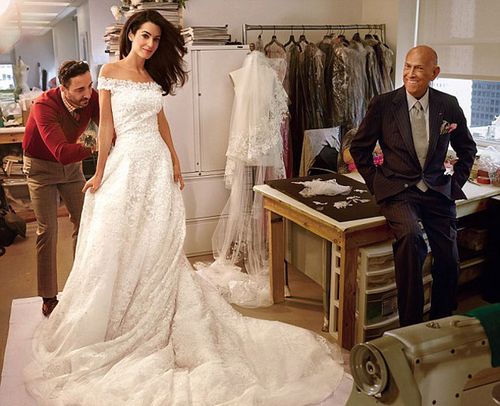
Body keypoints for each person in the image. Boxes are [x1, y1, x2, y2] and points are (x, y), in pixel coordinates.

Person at [24, 10, 344, 405]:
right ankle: (120, 313)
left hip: (156, 163)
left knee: (159, 240)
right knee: (120, 237)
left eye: (156, 40)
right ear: (130, 35)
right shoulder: (108, 71)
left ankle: (160, 300)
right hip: (126, 163)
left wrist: (174, 160)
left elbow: (161, 122)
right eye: (145, 36)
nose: (150, 45)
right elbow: (106, 128)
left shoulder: (152, 76)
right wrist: (100, 171)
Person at [350, 45, 477, 326]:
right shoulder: (383, 105)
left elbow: (467, 149)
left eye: (419, 68)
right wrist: (377, 183)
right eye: (407, 66)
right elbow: (359, 149)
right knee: (411, 240)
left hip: (436, 190)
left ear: (435, 72)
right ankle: (411, 326)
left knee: (449, 257)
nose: (410, 73)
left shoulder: (448, 105)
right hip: (398, 191)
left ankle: (441, 322)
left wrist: (455, 183)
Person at [22, 60, 99, 317]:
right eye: (79, 90)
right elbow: (61, 152)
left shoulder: (91, 97)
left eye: (89, 85)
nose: (87, 94)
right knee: (48, 230)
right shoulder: (44, 105)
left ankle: (81, 287)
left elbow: (109, 125)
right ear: (63, 88)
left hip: (72, 169)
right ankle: (49, 296)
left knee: (84, 223)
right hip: (41, 168)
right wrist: (94, 143)